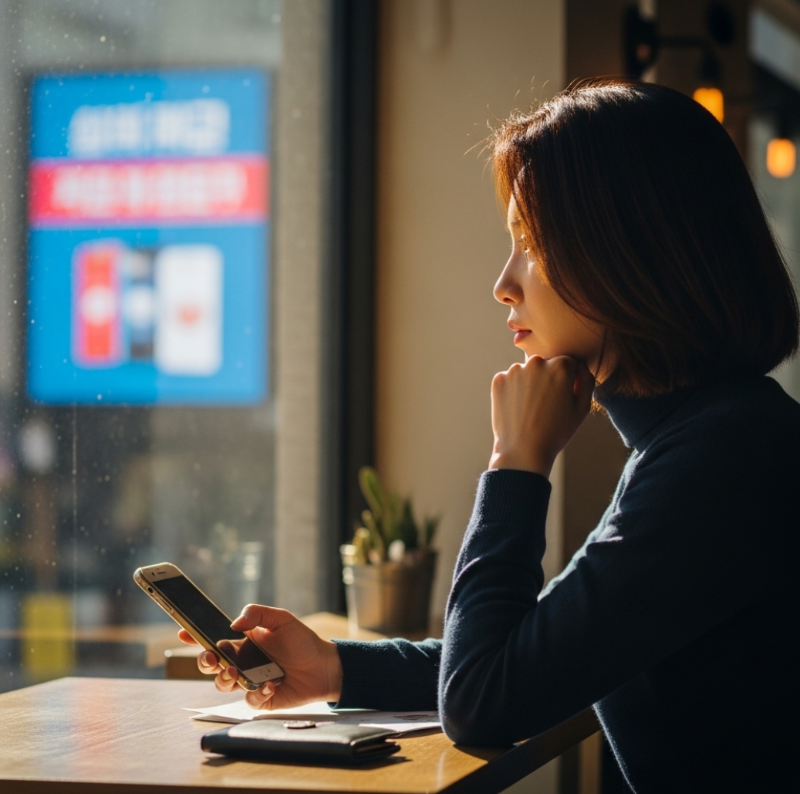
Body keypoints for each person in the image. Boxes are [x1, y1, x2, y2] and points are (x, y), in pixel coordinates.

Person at [180, 80, 800, 792]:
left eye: (531, 245)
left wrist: (517, 464)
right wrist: (337, 668)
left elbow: (483, 702)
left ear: (629, 251)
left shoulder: (722, 461)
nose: (504, 283)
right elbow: (538, 657)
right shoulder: (721, 435)